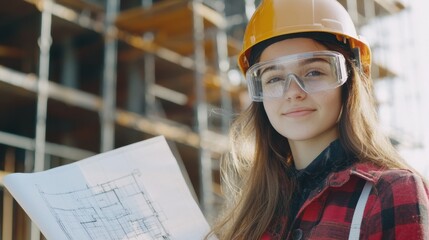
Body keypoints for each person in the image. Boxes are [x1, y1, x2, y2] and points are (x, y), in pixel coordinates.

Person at [206, 0, 429, 239]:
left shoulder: (390, 191)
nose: (293, 92)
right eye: (274, 79)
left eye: (313, 72)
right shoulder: (256, 213)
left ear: (349, 83)